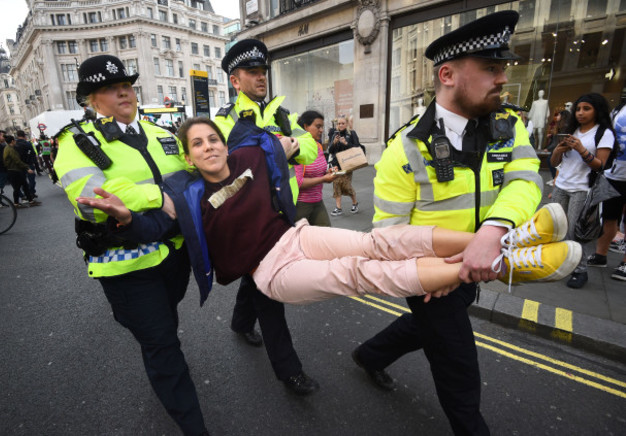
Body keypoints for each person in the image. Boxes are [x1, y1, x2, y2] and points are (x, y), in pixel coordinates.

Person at [76, 117, 579, 305]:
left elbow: (295, 145)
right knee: (357, 272)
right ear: (188, 156)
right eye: (198, 144)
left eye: (213, 139)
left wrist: (297, 140)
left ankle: (506, 244)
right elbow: (151, 223)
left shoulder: (250, 155)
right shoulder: (181, 192)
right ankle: (503, 262)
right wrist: (123, 216)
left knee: (376, 242)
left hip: (295, 235)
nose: (209, 148)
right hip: (271, 271)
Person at [350, 11, 545, 436]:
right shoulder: (405, 148)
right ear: (449, 74)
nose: (502, 78)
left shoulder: (509, 126)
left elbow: (527, 182)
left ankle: (369, 354)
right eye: (492, 68)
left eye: (503, 69)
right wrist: (430, 274)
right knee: (457, 362)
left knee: (426, 330)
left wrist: (491, 234)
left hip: (479, 262)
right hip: (428, 276)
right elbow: (388, 236)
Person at [53, 54, 208, 436]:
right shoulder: (75, 142)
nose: (122, 91)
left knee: (165, 324)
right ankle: (195, 426)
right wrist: (155, 194)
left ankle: (161, 357)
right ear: (91, 99)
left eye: (126, 84)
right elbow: (93, 199)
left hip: (174, 256)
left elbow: (191, 180)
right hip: (127, 267)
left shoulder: (161, 134)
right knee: (161, 343)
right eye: (108, 87)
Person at [213, 39, 320, 395]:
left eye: (263, 72)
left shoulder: (280, 115)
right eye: (252, 72)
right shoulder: (224, 120)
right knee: (271, 296)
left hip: (281, 215)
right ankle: (289, 371)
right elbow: (221, 166)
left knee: (255, 279)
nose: (261, 78)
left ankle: (240, 322)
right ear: (235, 81)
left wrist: (283, 147)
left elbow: (308, 149)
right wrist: (279, 147)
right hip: (250, 217)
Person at [550, 93, 617, 289]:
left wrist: (581, 149)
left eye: (586, 109)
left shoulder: (603, 133)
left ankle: (580, 270)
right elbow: (555, 163)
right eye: (578, 109)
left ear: (597, 110)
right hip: (562, 185)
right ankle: (563, 262)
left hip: (582, 189)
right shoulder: (572, 131)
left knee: (575, 232)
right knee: (557, 228)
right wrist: (557, 151)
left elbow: (601, 166)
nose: (580, 113)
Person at [586, 98, 626, 280]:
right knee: (608, 218)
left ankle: (624, 264)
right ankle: (600, 255)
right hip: (613, 174)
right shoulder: (619, 110)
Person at [294, 110, 337, 226]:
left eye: (322, 127)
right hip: (300, 204)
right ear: (305, 126)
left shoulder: (317, 145)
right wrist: (323, 179)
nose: (321, 130)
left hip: (317, 201)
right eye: (318, 126)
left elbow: (319, 171)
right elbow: (298, 182)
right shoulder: (296, 147)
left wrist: (328, 172)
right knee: (299, 241)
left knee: (325, 236)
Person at [327, 115, 363, 216]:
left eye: (343, 123)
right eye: (339, 123)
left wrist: (346, 143)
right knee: (336, 184)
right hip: (336, 164)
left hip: (348, 163)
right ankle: (338, 208)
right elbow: (330, 151)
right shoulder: (334, 135)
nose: (341, 125)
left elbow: (357, 148)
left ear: (346, 124)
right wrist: (334, 143)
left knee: (346, 185)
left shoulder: (351, 133)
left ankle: (355, 203)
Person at [2, 135, 39, 208]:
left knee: (25, 185)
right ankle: (16, 203)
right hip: (14, 170)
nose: (15, 142)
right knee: (17, 188)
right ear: (12, 141)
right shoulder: (10, 149)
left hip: (15, 170)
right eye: (14, 141)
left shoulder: (8, 148)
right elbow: (17, 160)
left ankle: (30, 201)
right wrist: (27, 168)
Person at [15, 130, 40, 199]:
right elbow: (32, 153)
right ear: (24, 136)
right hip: (29, 163)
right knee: (31, 179)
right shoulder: (27, 143)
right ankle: (31, 192)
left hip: (20, 164)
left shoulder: (15, 144)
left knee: (23, 180)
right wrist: (35, 162)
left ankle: (27, 192)